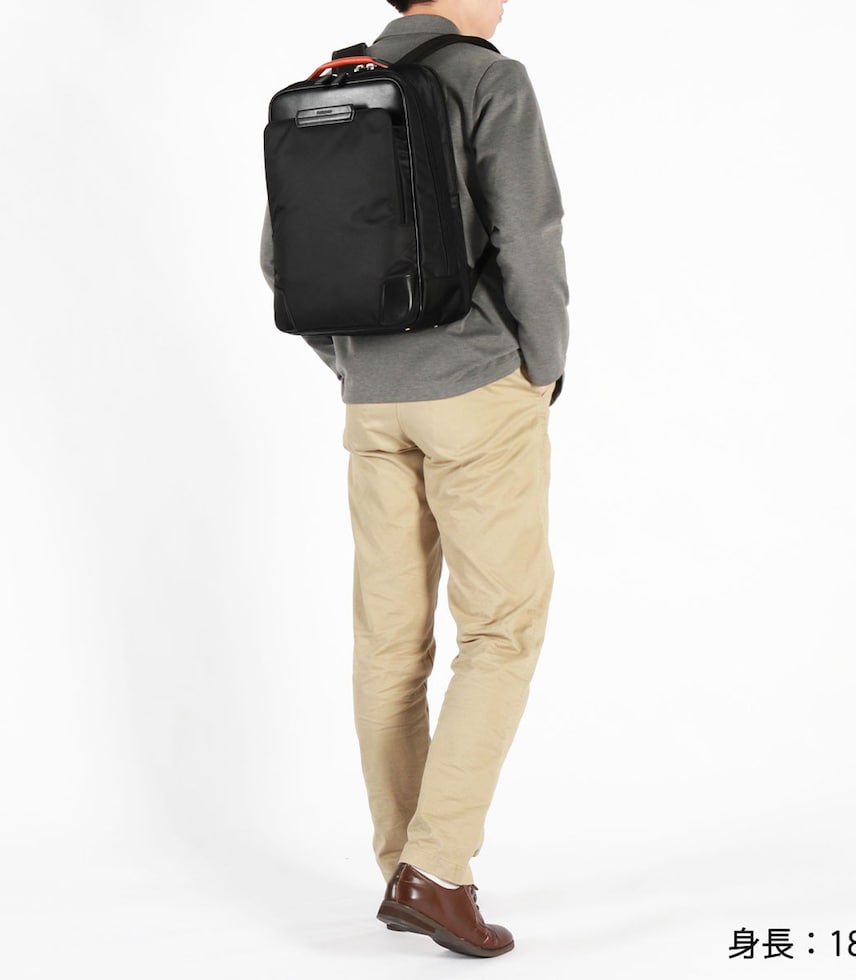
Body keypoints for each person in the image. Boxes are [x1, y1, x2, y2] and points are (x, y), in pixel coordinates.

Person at [260, 0, 568, 958]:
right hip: (477, 389)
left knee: (389, 643)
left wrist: (352, 364)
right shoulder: (488, 77)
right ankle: (435, 871)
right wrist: (543, 366)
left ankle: (403, 867)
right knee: (501, 630)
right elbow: (530, 232)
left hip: (371, 404)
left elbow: (280, 257)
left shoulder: (332, 86)